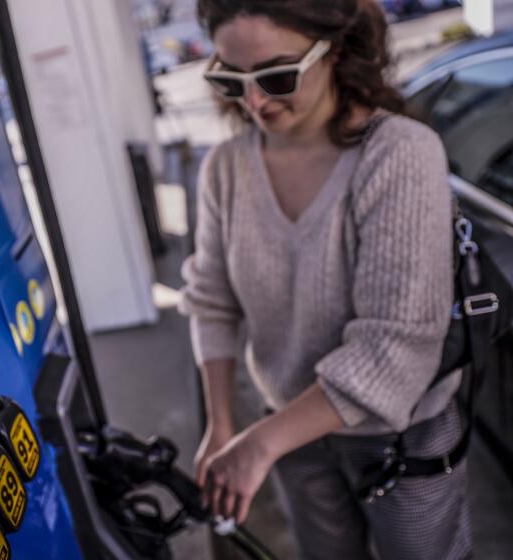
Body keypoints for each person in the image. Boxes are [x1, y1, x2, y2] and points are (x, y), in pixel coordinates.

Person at [179, 0, 471, 558]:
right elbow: (211, 300)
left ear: (335, 50)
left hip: (405, 435)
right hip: (291, 435)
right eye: (231, 78)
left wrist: (259, 444)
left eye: (277, 75)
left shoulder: (398, 153)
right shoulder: (225, 167)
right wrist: (222, 426)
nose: (255, 100)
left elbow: (395, 344)